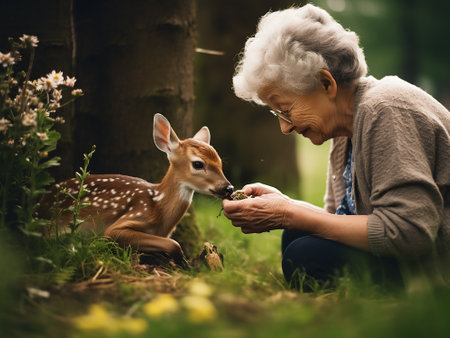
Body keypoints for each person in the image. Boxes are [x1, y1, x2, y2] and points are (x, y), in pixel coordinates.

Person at [222, 4, 450, 289]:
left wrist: (289, 214)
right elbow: (340, 222)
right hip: (402, 257)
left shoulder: (386, 109)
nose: (285, 127)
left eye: (285, 110)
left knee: (307, 253)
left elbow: (409, 232)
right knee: (297, 237)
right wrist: (287, 208)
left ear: (325, 83)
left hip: (434, 268)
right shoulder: (345, 128)